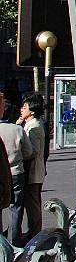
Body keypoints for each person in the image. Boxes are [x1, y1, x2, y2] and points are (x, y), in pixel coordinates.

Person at [0, 92, 32, 245]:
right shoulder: (17, 129)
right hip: (16, 171)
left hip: (3, 173)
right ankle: (14, 240)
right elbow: (28, 151)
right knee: (16, 207)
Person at [17, 93, 47, 242]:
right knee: (31, 203)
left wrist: (20, 153)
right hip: (33, 170)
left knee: (33, 204)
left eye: (25, 107)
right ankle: (33, 231)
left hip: (33, 170)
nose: (22, 110)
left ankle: (35, 233)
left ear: (33, 111)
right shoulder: (30, 124)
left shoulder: (34, 126)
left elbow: (33, 150)